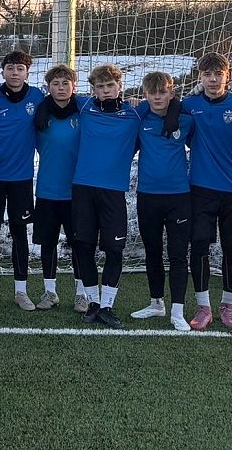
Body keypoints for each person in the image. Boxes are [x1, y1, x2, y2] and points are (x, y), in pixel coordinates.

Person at [181, 52, 232, 331]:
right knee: (199, 246)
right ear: (200, 77)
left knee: (230, 248)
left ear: (228, 76)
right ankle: (203, 307)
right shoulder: (189, 105)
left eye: (218, 74)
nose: (213, 79)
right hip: (200, 188)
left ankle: (227, 305)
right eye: (207, 74)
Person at [72, 64, 141, 330]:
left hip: (113, 192)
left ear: (119, 86)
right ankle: (93, 303)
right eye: (100, 87)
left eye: (110, 85)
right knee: (83, 246)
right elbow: (55, 98)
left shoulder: (136, 112)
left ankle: (107, 306)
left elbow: (167, 102)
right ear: (93, 90)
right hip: (83, 188)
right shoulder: (83, 106)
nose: (105, 90)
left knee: (114, 248)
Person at [129, 72, 193, 332]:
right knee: (152, 251)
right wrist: (137, 106)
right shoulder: (140, 120)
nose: (157, 97)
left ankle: (178, 311)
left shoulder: (186, 120)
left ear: (171, 93)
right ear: (145, 95)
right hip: (148, 196)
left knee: (178, 253)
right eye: (152, 93)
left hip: (179, 196)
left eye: (162, 92)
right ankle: (156, 303)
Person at [0, 50, 45, 311]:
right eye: (10, 68)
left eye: (20, 68)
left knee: (19, 232)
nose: (15, 73)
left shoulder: (37, 97)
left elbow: (68, 103)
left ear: (27, 72)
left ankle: (21, 290)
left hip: (21, 178)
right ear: (3, 71)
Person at [31, 64, 84, 312]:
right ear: (48, 87)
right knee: (48, 243)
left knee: (79, 244)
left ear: (74, 86)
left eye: (65, 83)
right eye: (55, 84)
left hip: (77, 191)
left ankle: (82, 294)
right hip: (48, 189)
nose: (61, 88)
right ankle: (50, 292)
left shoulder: (84, 111)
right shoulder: (40, 115)